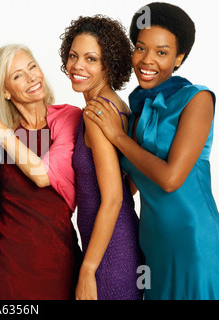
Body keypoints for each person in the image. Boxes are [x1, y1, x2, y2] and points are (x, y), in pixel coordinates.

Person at [85, 2, 219, 300]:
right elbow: (131, 183)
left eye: (162, 52)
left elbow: (171, 179)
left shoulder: (197, 99)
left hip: (193, 242)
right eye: (141, 48)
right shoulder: (136, 108)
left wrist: (118, 138)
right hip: (153, 246)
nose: (147, 60)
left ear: (179, 58)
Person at [0, 44, 82, 299]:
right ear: (5, 91)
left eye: (32, 67)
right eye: (17, 75)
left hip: (59, 263)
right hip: (6, 265)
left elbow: (43, 175)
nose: (32, 77)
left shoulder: (70, 117)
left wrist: (0, 128)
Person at [59, 15, 143, 300]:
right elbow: (128, 181)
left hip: (110, 255)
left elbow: (114, 198)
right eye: (73, 56)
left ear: (109, 64)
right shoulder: (117, 107)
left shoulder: (97, 114)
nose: (77, 66)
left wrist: (88, 269)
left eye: (91, 59)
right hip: (120, 241)